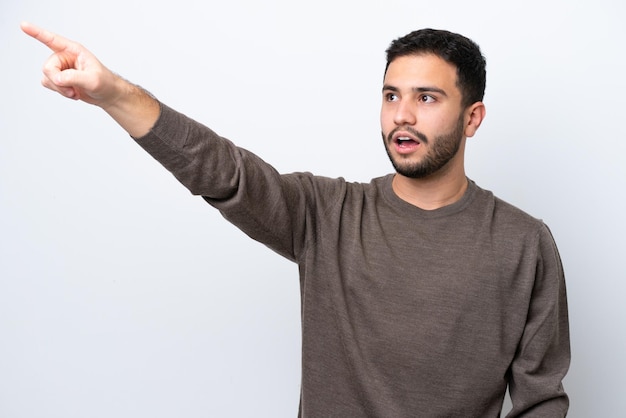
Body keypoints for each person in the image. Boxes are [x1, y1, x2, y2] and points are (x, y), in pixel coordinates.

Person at [21, 22, 570, 417]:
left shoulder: (524, 242)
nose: (402, 115)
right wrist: (115, 93)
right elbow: (223, 171)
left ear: (471, 117)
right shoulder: (325, 214)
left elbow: (541, 399)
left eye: (427, 97)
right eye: (390, 96)